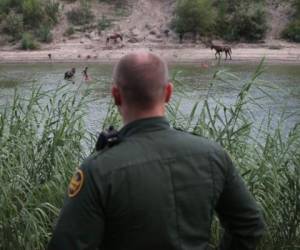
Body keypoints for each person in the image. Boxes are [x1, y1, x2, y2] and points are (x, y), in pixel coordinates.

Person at [48, 52, 266, 250]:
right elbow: (250, 225)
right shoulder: (212, 154)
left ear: (115, 95)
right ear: (169, 92)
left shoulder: (98, 171)